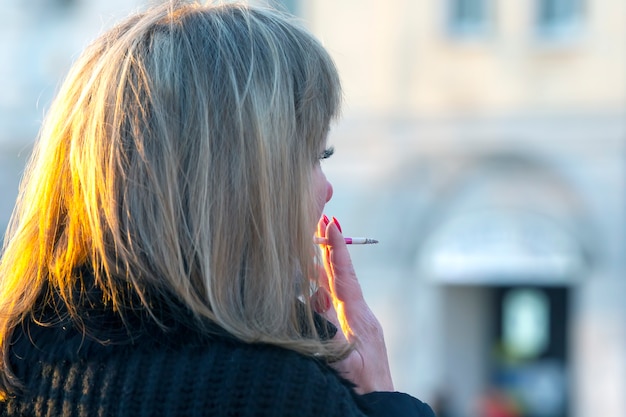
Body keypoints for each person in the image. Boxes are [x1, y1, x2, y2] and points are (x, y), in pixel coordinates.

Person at [0, 2, 435, 416]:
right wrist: (380, 398)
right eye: (315, 155)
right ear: (242, 180)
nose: (327, 188)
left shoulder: (18, 362)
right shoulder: (280, 394)